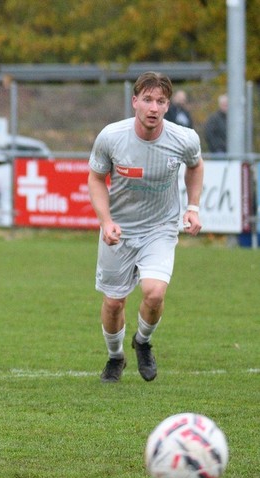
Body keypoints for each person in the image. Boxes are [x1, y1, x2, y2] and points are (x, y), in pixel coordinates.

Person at [87, 71, 203, 383]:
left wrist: (193, 207)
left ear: (168, 106)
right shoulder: (111, 137)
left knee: (154, 293)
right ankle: (115, 356)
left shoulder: (184, 138)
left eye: (160, 101)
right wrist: (106, 222)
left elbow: (195, 166)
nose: (153, 107)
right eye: (148, 100)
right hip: (120, 230)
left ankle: (143, 341)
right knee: (114, 303)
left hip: (160, 227)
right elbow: (96, 179)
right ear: (135, 101)